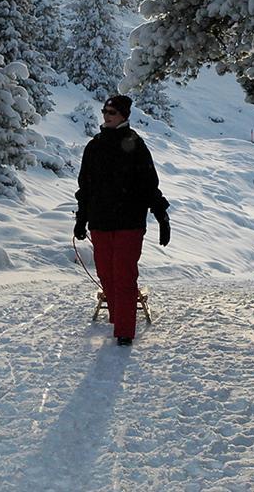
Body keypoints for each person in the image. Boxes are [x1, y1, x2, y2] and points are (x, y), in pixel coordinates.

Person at [74, 95, 169, 347]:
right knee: (106, 273)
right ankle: (118, 317)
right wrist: (81, 218)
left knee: (124, 274)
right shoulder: (94, 146)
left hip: (130, 221)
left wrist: (161, 215)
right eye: (105, 110)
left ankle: (125, 330)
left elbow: (150, 184)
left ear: (124, 116)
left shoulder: (135, 144)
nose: (107, 115)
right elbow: (85, 186)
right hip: (100, 221)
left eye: (113, 112)